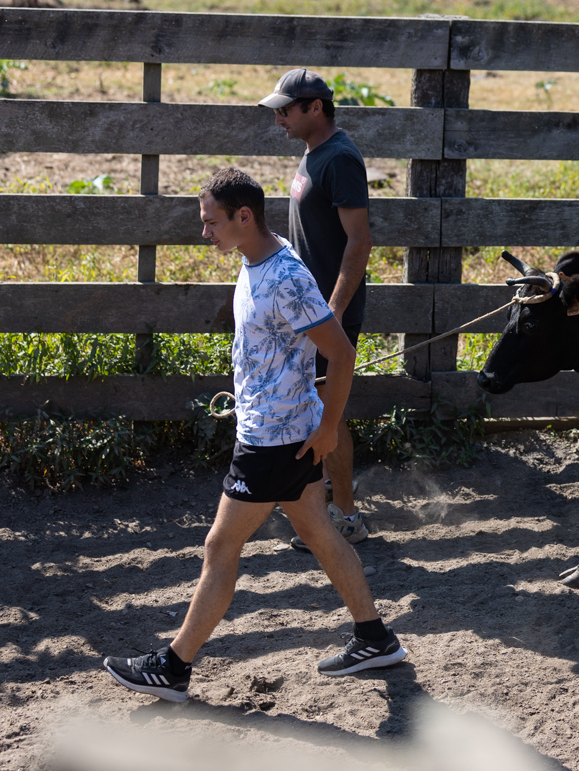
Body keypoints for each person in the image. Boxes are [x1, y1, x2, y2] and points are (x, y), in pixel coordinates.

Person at [102, 169, 405, 703]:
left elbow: (341, 353)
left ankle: (174, 666)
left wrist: (329, 429)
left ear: (244, 216)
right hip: (281, 429)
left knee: (220, 545)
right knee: (318, 532)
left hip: (274, 441)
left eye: (211, 222)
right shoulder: (256, 257)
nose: (204, 233)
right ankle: (375, 638)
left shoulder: (285, 276)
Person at [259, 68, 373, 551]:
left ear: (315, 108)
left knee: (330, 410)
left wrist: (334, 312)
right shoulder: (314, 153)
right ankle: (324, 497)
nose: (279, 119)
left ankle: (346, 516)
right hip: (308, 309)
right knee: (315, 406)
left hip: (328, 312)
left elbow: (359, 242)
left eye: (286, 110)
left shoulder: (339, 159)